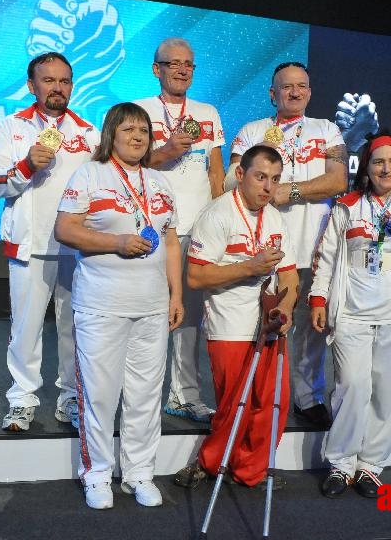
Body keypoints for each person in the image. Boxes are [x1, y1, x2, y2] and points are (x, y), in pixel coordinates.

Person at [54, 102, 184, 510]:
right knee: (100, 394)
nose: (137, 136)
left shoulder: (160, 184)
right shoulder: (89, 174)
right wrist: (116, 242)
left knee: (146, 395)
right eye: (128, 129)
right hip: (102, 305)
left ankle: (140, 472)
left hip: (151, 306)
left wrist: (175, 294)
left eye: (144, 130)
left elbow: (172, 240)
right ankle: (96, 475)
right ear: (111, 134)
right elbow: (65, 229)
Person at [309, 133, 391, 498]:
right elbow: (326, 258)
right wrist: (318, 300)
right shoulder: (347, 206)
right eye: (379, 162)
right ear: (365, 169)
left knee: (388, 394)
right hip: (352, 312)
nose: (387, 168)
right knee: (352, 386)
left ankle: (370, 466)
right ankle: (340, 464)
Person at [0, 52, 100, 432]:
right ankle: (22, 398)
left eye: (64, 81)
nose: (57, 88)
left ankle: (70, 398)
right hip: (29, 245)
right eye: (48, 81)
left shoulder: (89, 134)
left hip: (76, 247)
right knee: (27, 327)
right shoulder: (11, 128)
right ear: (32, 86)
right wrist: (28, 165)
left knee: (74, 327)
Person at [228, 61, 347, 429]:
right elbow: (234, 182)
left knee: (311, 328)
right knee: (258, 324)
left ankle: (308, 398)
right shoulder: (252, 131)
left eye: (302, 86)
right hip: (262, 247)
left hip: (314, 246)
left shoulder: (326, 130)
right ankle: (255, 395)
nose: (295, 92)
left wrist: (290, 190)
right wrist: (265, 192)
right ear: (272, 93)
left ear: (309, 92)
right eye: (286, 87)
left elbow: (338, 180)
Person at [174, 145, 299, 488]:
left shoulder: (275, 217)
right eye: (260, 177)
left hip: (269, 323)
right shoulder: (217, 214)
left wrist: (285, 310)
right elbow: (196, 277)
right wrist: (250, 267)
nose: (268, 187)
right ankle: (211, 463)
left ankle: (250, 471)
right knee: (234, 406)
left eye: (274, 179)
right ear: (241, 175)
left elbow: (289, 276)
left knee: (271, 403)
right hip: (229, 324)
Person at [133, 37, 226, 423]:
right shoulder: (138, 110)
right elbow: (129, 162)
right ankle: (138, 395)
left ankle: (183, 395)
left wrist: (224, 221)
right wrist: (168, 150)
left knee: (187, 317)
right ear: (157, 69)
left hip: (198, 228)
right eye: (174, 63)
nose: (182, 69)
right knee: (147, 312)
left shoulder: (207, 112)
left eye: (189, 63)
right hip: (151, 227)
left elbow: (216, 172)